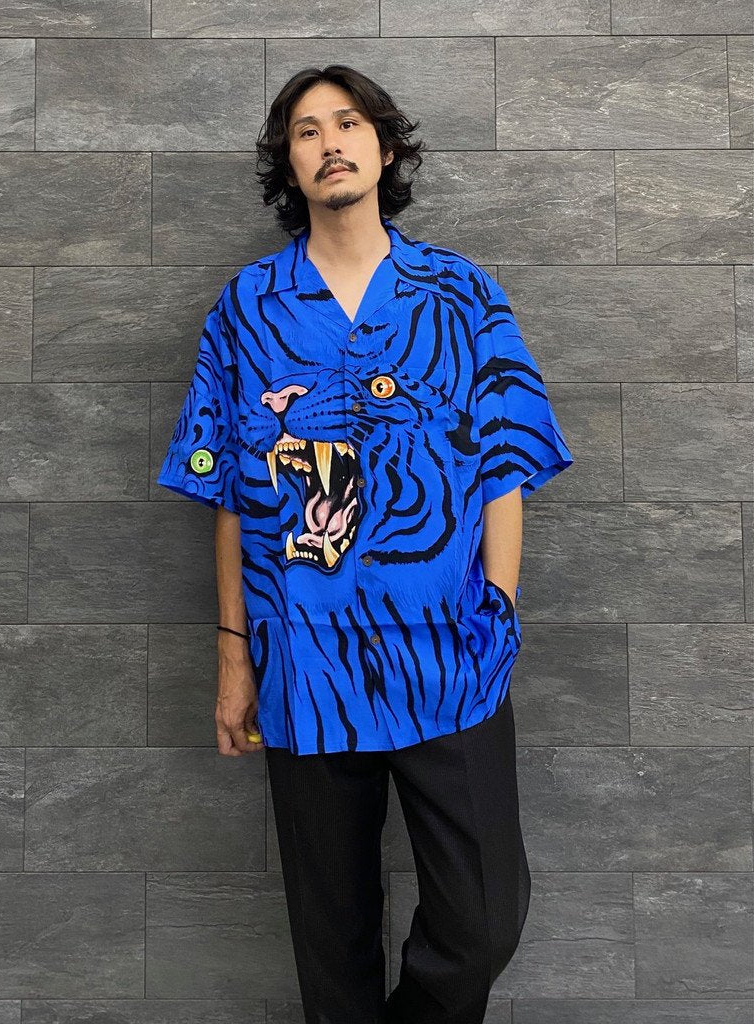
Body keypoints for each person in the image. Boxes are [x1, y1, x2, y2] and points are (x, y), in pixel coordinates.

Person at [156, 64, 574, 1024]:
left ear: (385, 149)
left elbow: (504, 467)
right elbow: (230, 494)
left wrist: (498, 609)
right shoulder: (247, 309)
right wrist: (233, 659)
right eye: (306, 131)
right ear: (289, 164)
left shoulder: (461, 295)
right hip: (303, 661)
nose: (329, 142)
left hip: (448, 654)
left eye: (348, 123)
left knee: (483, 919)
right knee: (331, 940)